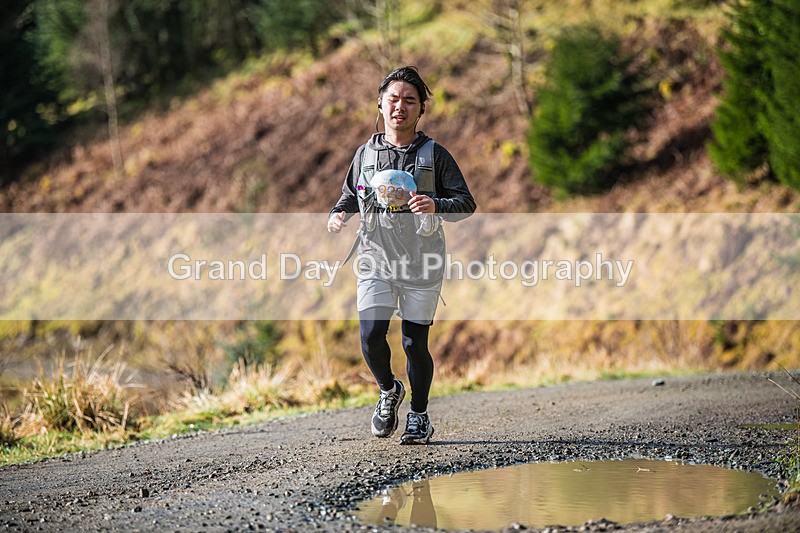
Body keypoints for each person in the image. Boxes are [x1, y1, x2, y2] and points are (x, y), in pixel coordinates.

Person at [327, 66, 476, 444]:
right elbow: (350, 193)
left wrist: (435, 204)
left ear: (421, 109)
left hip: (422, 259)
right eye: (393, 99)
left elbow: (466, 204)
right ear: (380, 104)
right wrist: (339, 213)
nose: (400, 107)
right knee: (371, 333)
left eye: (410, 100)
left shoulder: (434, 155)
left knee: (413, 343)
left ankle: (420, 416)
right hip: (376, 257)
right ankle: (388, 389)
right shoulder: (365, 153)